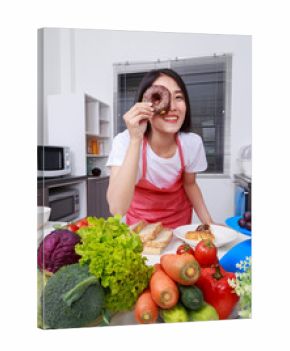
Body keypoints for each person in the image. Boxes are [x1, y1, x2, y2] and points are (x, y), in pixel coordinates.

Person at [106, 68, 214, 229]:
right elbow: (117, 209)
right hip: (139, 233)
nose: (172, 106)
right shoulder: (124, 141)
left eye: (178, 97)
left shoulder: (192, 143)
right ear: (144, 104)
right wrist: (136, 139)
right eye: (160, 97)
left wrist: (209, 223)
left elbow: (190, 184)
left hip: (179, 231)